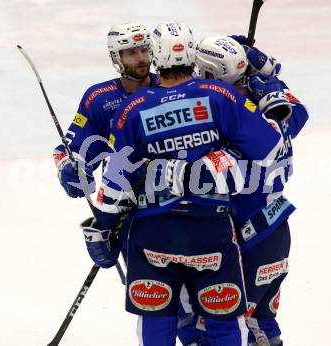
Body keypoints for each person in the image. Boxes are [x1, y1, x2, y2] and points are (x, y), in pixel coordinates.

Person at [79, 22, 284, 346]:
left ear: (156, 55)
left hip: (153, 235)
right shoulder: (220, 96)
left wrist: (103, 227)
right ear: (192, 54)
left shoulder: (134, 108)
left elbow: (116, 182)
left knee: (158, 320)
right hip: (211, 230)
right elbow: (271, 146)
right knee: (223, 323)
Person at [165, 36, 309, 346]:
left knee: (215, 323)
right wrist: (268, 73)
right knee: (263, 322)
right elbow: (297, 115)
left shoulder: (221, 117)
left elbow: (191, 172)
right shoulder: (267, 111)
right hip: (276, 229)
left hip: (240, 237)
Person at [53, 22, 159, 198]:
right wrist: (71, 168)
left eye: (144, 49)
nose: (141, 58)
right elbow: (68, 152)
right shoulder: (100, 99)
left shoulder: (171, 88)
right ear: (116, 57)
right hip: (124, 205)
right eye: (132, 52)